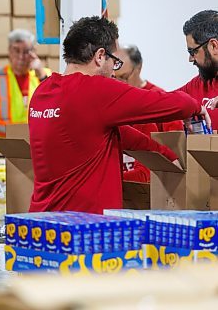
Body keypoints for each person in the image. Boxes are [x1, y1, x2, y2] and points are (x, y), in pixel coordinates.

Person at [28, 16, 209, 214]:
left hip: (41, 221)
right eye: (114, 62)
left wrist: (164, 155)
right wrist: (195, 106)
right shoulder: (94, 89)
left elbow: (116, 134)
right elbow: (158, 102)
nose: (114, 73)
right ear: (99, 56)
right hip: (82, 229)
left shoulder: (43, 92)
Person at [115, 45, 182, 183]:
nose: (119, 83)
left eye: (124, 77)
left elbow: (176, 147)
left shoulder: (159, 100)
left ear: (138, 68)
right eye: (114, 78)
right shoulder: (113, 102)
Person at [0, 29, 51, 138]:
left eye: (26, 51)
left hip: (35, 149)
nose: (21, 56)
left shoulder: (44, 76)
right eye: (16, 50)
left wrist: (41, 74)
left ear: (33, 52)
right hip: (3, 149)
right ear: (9, 51)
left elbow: (55, 107)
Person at [179, 10, 217, 120]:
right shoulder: (196, 85)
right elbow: (163, 103)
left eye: (192, 51)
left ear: (213, 46)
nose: (190, 59)